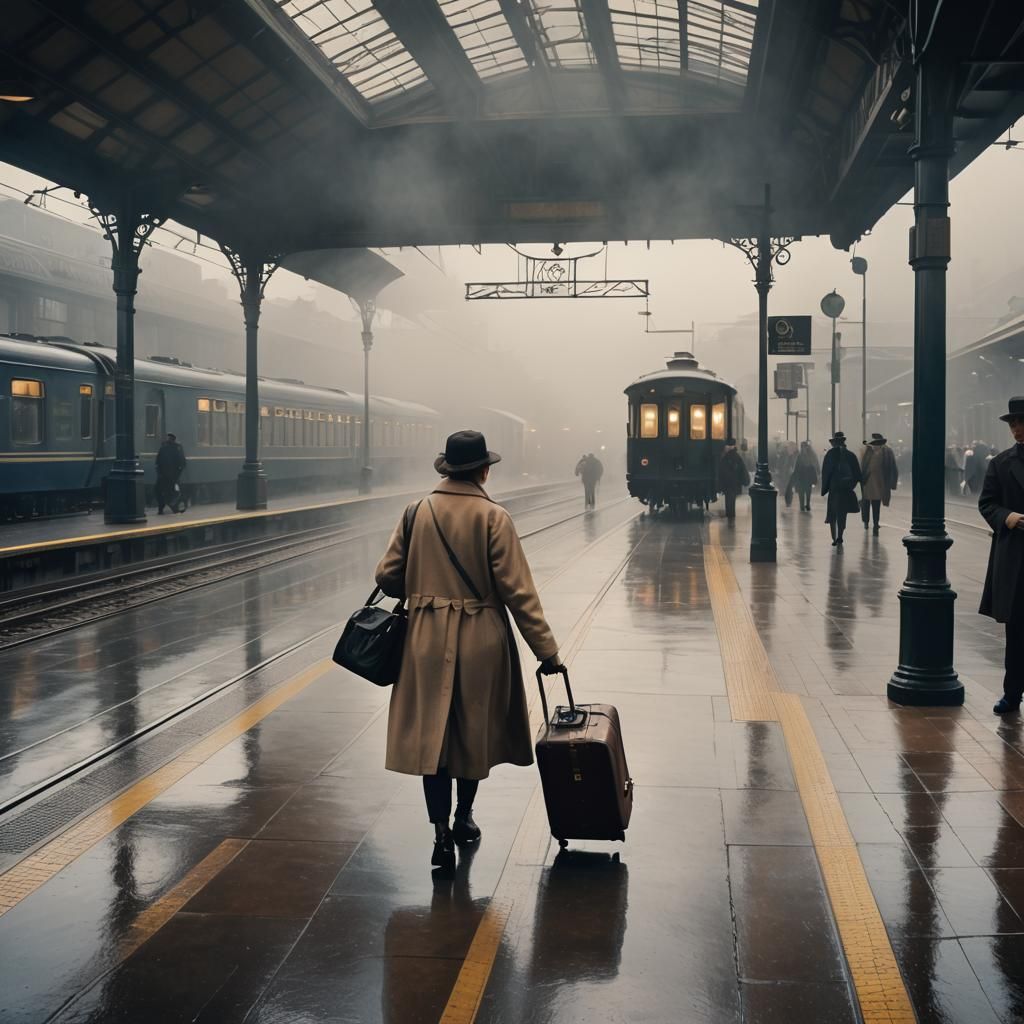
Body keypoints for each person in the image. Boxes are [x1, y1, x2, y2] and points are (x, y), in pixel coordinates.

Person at [375, 430, 563, 869]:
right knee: (469, 733)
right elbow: (519, 594)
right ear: (483, 470)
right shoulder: (494, 517)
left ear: (446, 468)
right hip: (480, 638)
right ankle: (464, 817)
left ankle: (439, 832)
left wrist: (425, 587)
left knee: (431, 738)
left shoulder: (414, 512)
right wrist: (546, 651)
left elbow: (386, 576)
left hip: (424, 637)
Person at [979, 398, 1024, 715]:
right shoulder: (1001, 463)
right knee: (1017, 630)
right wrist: (1009, 517)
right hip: (1016, 558)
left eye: (1021, 423)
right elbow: (987, 503)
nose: (1017, 429)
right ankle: (1012, 694)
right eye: (1012, 424)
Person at [820, 431, 861, 547]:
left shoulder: (830, 454)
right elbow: (858, 474)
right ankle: (840, 536)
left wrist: (825, 488)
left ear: (834, 442)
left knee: (833, 513)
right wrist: (851, 485)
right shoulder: (851, 455)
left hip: (834, 489)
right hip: (846, 489)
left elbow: (826, 472)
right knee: (842, 514)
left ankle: (834, 537)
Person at [859, 433, 899, 534]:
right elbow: (862, 466)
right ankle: (867, 522)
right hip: (868, 481)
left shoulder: (886, 452)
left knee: (876, 504)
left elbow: (892, 467)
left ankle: (875, 523)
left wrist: (892, 482)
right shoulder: (867, 451)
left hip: (880, 481)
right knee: (867, 503)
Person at [718, 438, 749, 522]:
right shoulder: (737, 456)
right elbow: (742, 469)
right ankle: (731, 517)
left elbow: (722, 471)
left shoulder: (727, 457)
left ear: (728, 447)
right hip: (735, 483)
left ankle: (730, 517)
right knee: (731, 500)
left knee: (729, 500)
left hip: (729, 483)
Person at [155, 432, 186, 514]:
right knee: (173, 491)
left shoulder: (163, 447)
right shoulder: (177, 447)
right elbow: (182, 462)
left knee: (161, 491)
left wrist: (159, 472)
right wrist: (178, 474)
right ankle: (173, 507)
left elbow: (158, 461)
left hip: (164, 475)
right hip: (172, 475)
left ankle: (162, 508)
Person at [790, 441, 820, 512]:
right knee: (803, 492)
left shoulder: (801, 456)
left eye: (804, 446)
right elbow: (814, 465)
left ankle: (806, 505)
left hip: (805, 477)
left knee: (807, 492)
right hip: (803, 477)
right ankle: (803, 505)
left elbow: (814, 465)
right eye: (802, 446)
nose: (803, 448)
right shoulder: (807, 455)